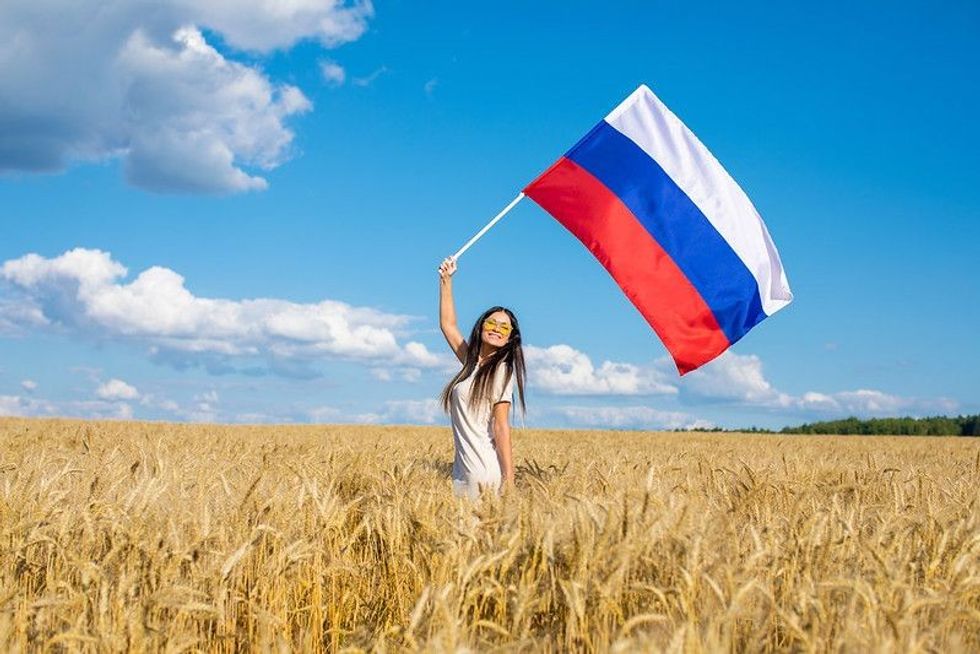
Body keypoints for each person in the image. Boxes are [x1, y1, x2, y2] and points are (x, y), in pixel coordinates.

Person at [438, 256, 526, 499]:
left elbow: (501, 426)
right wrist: (446, 280)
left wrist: (509, 480)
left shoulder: (501, 372)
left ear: (510, 338)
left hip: (484, 473)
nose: (497, 329)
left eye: (504, 327)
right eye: (492, 323)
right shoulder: (470, 363)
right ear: (481, 326)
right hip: (461, 474)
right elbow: (448, 325)